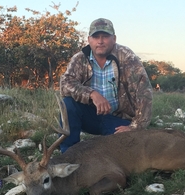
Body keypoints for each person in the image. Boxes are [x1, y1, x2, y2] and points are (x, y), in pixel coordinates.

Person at [60, 18, 153, 153]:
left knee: (127, 149)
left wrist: (135, 127)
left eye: (105, 36)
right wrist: (92, 94)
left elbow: (144, 92)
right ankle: (68, 153)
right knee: (68, 103)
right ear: (89, 39)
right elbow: (65, 84)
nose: (100, 41)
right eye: (96, 36)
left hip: (118, 120)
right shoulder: (79, 58)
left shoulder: (127, 57)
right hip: (90, 116)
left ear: (114, 38)